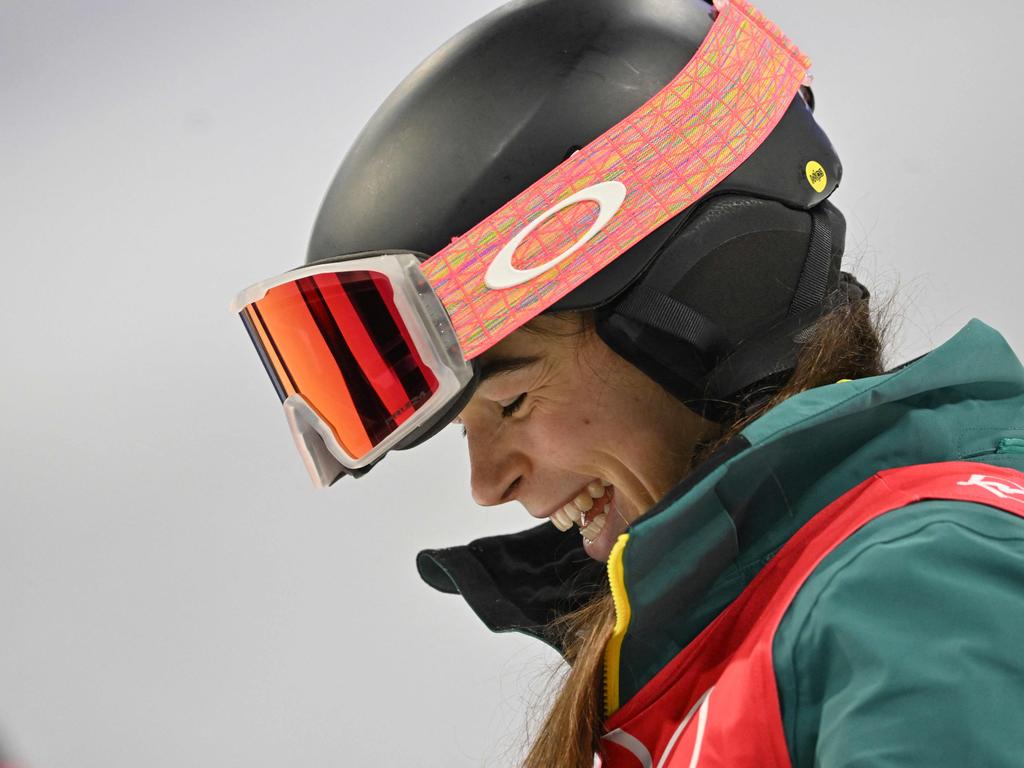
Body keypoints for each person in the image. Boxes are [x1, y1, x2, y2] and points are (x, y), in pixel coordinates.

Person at [232, 0, 1024, 765]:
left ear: (710, 294)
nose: (485, 483)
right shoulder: (731, 653)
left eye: (511, 401)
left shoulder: (908, 591)